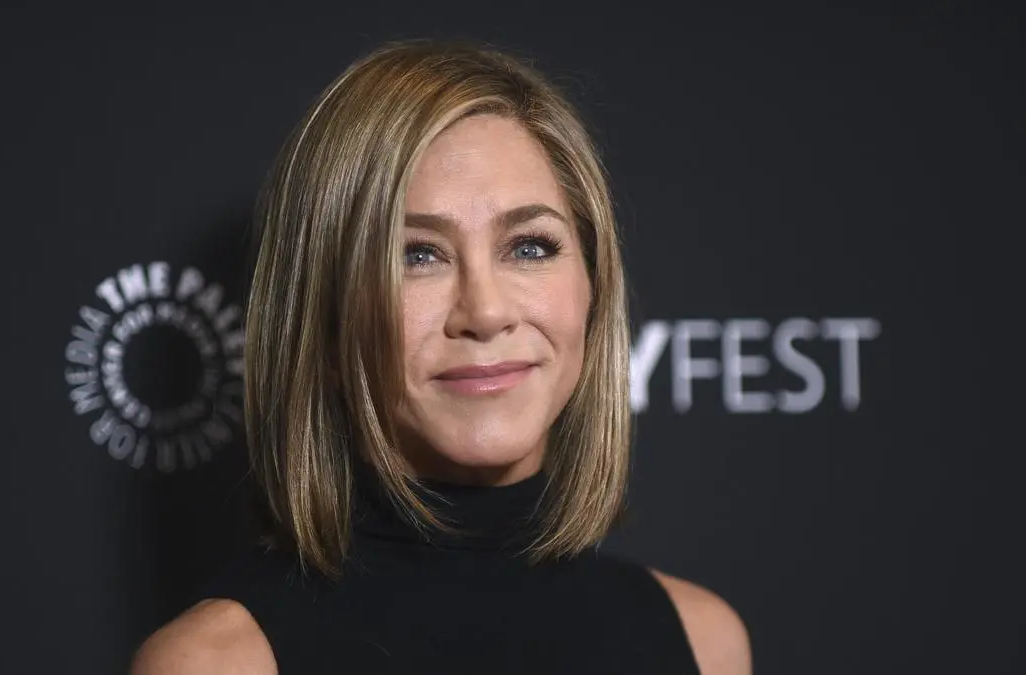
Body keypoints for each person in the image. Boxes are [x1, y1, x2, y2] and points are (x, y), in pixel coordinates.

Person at [130, 38, 751, 675]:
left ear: (593, 284)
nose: (485, 311)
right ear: (326, 318)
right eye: (417, 255)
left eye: (529, 247)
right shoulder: (216, 663)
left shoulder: (702, 642)